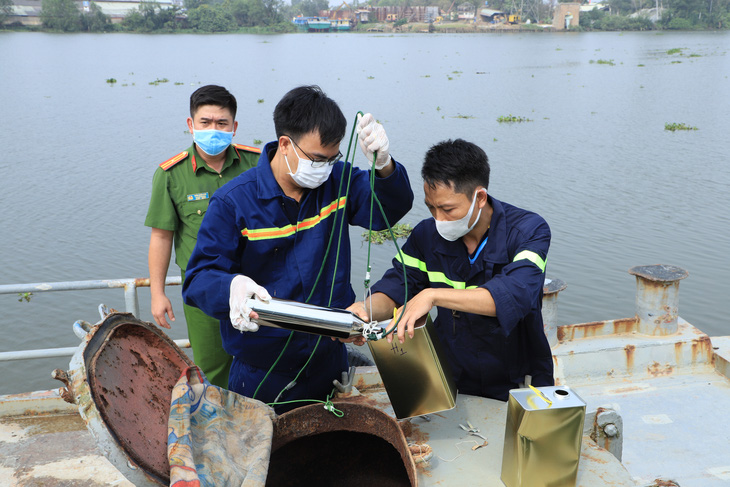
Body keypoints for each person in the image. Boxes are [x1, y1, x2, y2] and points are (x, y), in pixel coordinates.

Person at [182, 85, 414, 411]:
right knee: (266, 455)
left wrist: (385, 167)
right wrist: (230, 287)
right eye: (317, 159)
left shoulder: (337, 182)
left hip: (329, 359)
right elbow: (198, 280)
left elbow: (387, 211)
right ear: (286, 145)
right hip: (262, 373)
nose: (325, 168)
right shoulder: (234, 202)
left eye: (333, 159)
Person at [350, 138, 554, 401]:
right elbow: (396, 288)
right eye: (431, 208)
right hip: (453, 379)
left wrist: (432, 295)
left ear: (479, 197)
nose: (439, 219)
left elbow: (512, 296)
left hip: (519, 382)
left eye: (448, 209)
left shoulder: (529, 231)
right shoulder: (426, 235)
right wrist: (363, 311)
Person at [144, 85, 260, 389]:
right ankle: (223, 425)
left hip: (256, 280)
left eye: (221, 124)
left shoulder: (259, 165)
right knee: (212, 364)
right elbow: (161, 237)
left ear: (234, 127)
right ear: (190, 125)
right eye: (205, 122)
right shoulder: (171, 174)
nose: (213, 130)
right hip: (203, 287)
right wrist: (157, 293)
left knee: (263, 355)